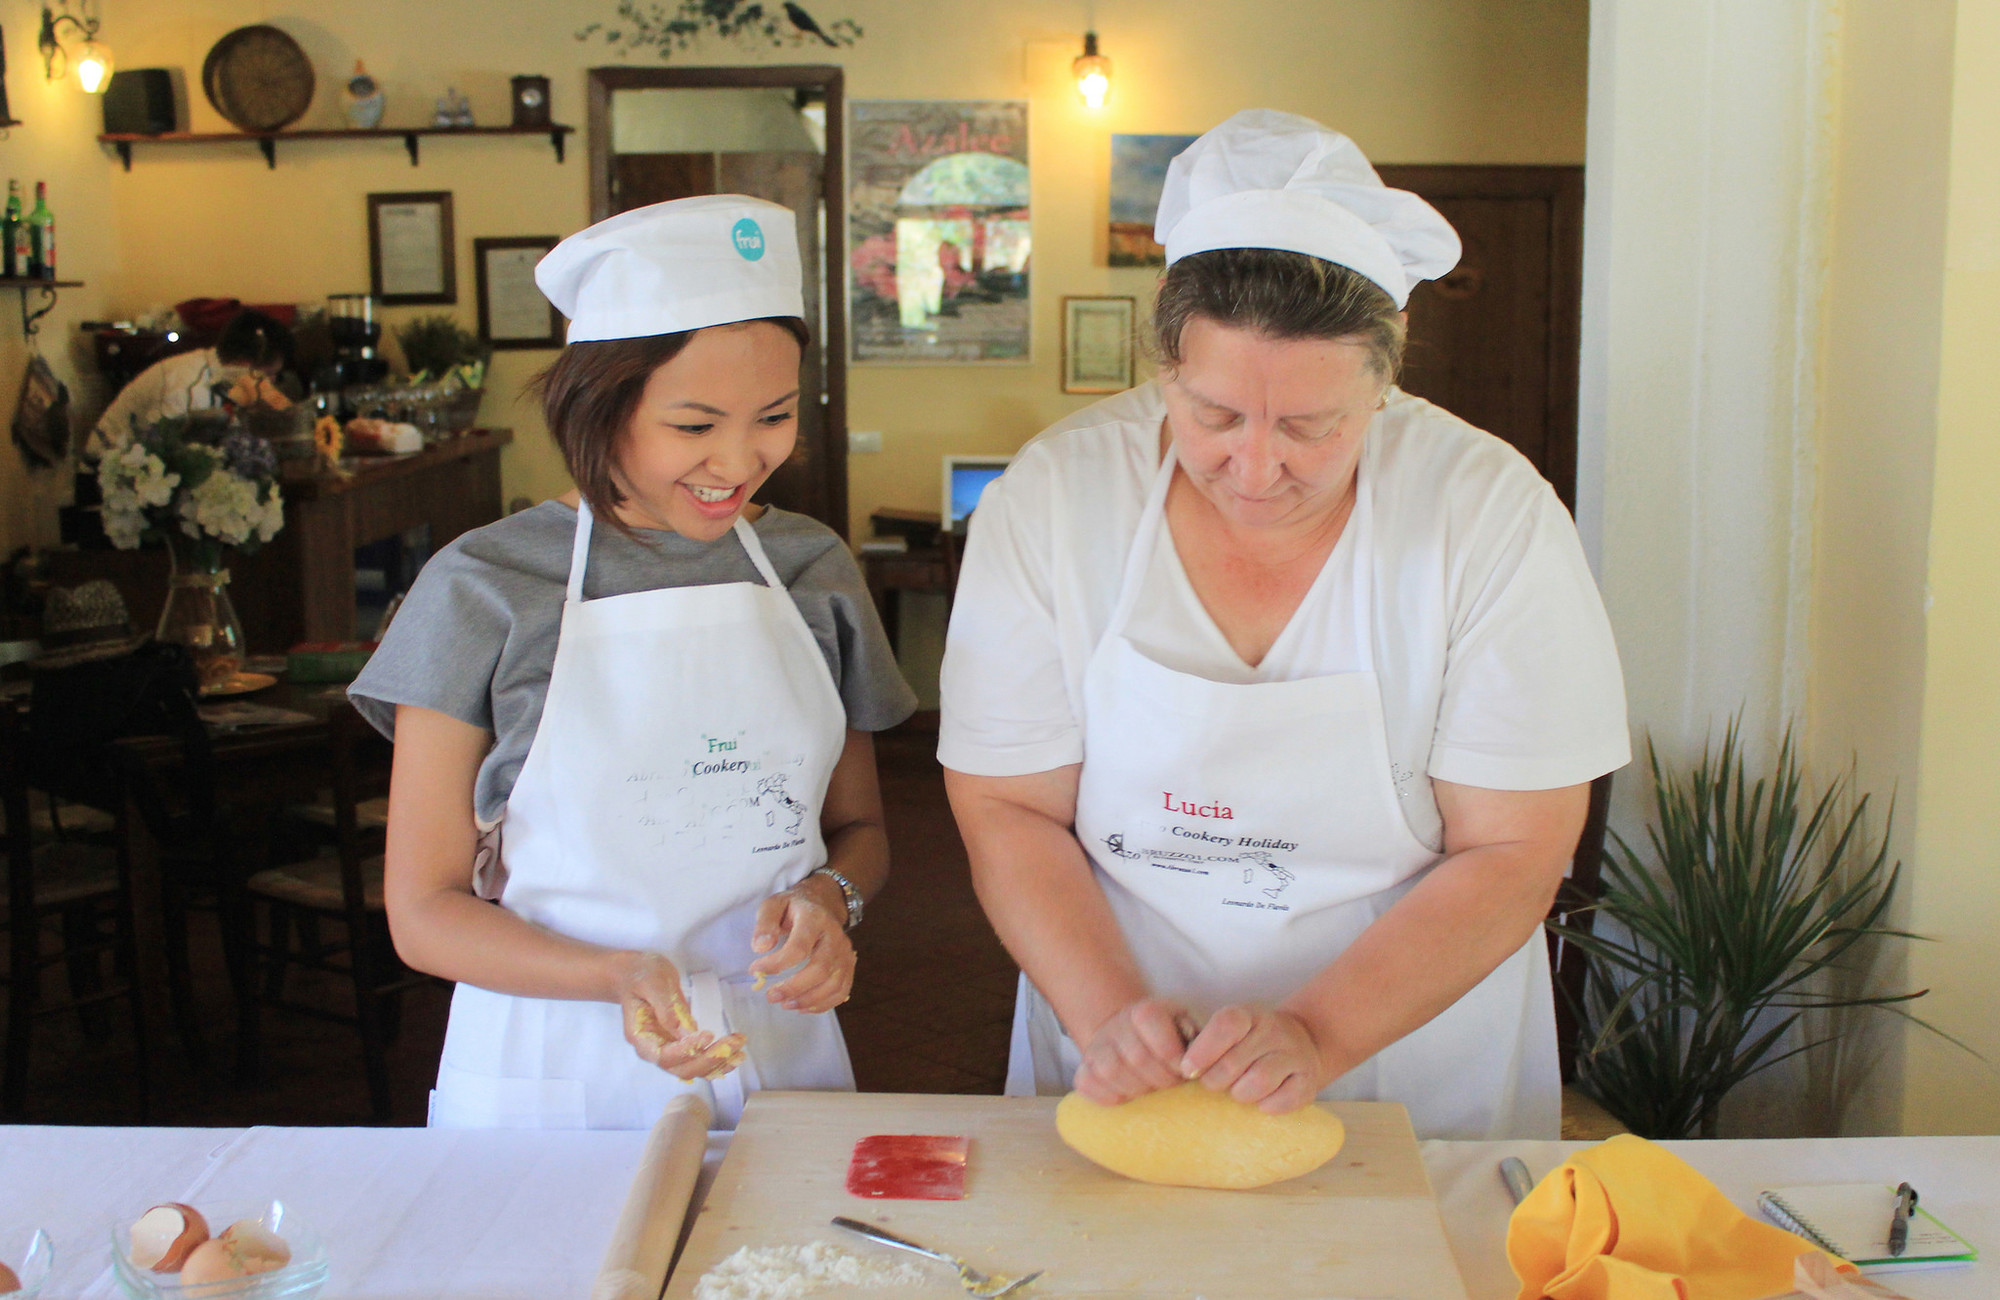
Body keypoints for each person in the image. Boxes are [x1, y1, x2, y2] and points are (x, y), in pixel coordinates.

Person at [938, 110, 1629, 1140]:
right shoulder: (1056, 498)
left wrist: (1317, 1031)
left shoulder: (1485, 512)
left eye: (1310, 425)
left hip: (1411, 1059)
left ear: (1383, 385)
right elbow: (1007, 805)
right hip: (1121, 1033)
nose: (1255, 467)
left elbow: (1516, 847)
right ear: (1163, 369)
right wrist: (1109, 1017)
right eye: (1214, 415)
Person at [348, 195, 917, 1130]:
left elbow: (861, 830)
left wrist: (830, 898)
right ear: (598, 410)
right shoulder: (482, 587)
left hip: (779, 1045)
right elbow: (422, 911)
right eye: (694, 427)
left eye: (774, 417)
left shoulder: (812, 568)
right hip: (553, 1058)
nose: (739, 461)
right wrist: (611, 975)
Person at [89, 308, 293, 455]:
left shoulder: (220, 373)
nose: (272, 382)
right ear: (244, 362)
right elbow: (173, 455)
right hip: (106, 475)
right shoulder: (190, 386)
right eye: (268, 374)